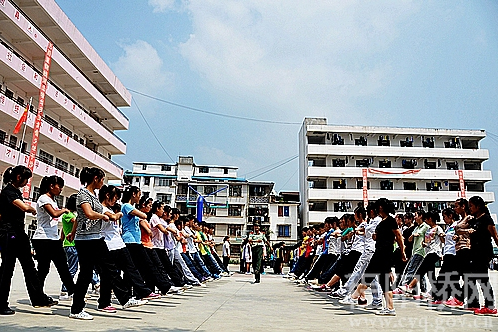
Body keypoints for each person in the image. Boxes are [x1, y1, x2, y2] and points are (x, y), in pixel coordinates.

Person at [69, 167, 146, 320]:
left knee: (101, 270)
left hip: (94, 237)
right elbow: (88, 214)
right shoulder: (82, 194)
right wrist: (105, 216)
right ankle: (78, 309)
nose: (102, 182)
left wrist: (72, 232)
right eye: (102, 179)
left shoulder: (93, 195)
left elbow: (80, 217)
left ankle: (123, 299)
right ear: (95, 178)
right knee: (95, 272)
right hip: (87, 240)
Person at [0, 166, 58, 315]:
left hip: (19, 235)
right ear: (19, 177)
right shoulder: (8, 192)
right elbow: (23, 207)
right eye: (26, 179)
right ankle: (1, 303)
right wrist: (31, 209)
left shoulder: (16, 192)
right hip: (9, 235)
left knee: (30, 269)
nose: (27, 182)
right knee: (7, 270)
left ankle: (39, 299)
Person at [98, 185, 159, 313]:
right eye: (115, 198)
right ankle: (107, 302)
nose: (116, 201)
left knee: (129, 268)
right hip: (108, 245)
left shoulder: (111, 208)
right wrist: (119, 214)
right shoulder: (102, 208)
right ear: (108, 196)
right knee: (109, 275)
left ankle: (141, 292)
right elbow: (113, 218)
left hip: (119, 243)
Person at [353, 198, 406, 316]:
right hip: (380, 251)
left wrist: (403, 251)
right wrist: (376, 237)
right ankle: (390, 308)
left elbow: (398, 236)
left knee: (369, 274)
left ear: (381, 208)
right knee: (384, 281)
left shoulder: (391, 220)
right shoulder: (382, 222)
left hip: (384, 253)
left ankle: (353, 296)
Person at [32, 176, 75, 296]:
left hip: (53, 239)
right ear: (51, 186)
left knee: (63, 267)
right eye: (59, 186)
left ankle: (72, 291)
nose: (61, 189)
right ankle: (37, 294)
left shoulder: (53, 200)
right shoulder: (43, 198)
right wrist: (64, 210)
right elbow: (54, 213)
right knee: (43, 269)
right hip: (43, 238)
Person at [466, 196, 498, 315]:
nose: (470, 208)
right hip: (474, 252)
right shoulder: (474, 220)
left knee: (483, 278)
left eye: (471, 206)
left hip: (484, 252)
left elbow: (495, 237)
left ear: (478, 206)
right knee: (472, 278)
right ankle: (475, 303)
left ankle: (490, 306)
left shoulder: (487, 219)